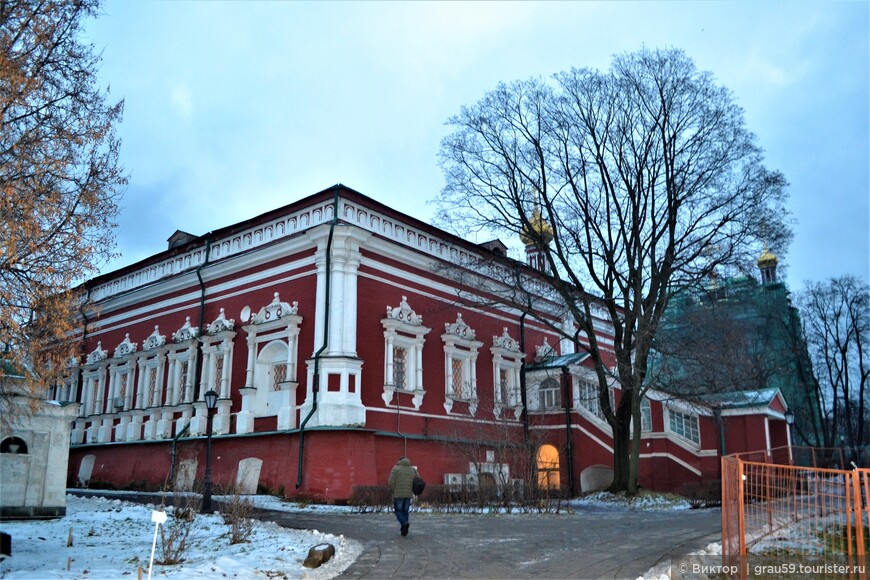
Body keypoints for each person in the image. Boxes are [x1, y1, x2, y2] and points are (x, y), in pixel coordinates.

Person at [388, 456, 419, 536]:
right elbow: (418, 480)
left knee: (398, 511)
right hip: (408, 494)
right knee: (405, 511)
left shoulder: (395, 469)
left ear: (399, 461)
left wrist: (393, 490)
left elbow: (391, 481)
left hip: (398, 494)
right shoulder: (413, 469)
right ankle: (404, 530)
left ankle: (404, 523)